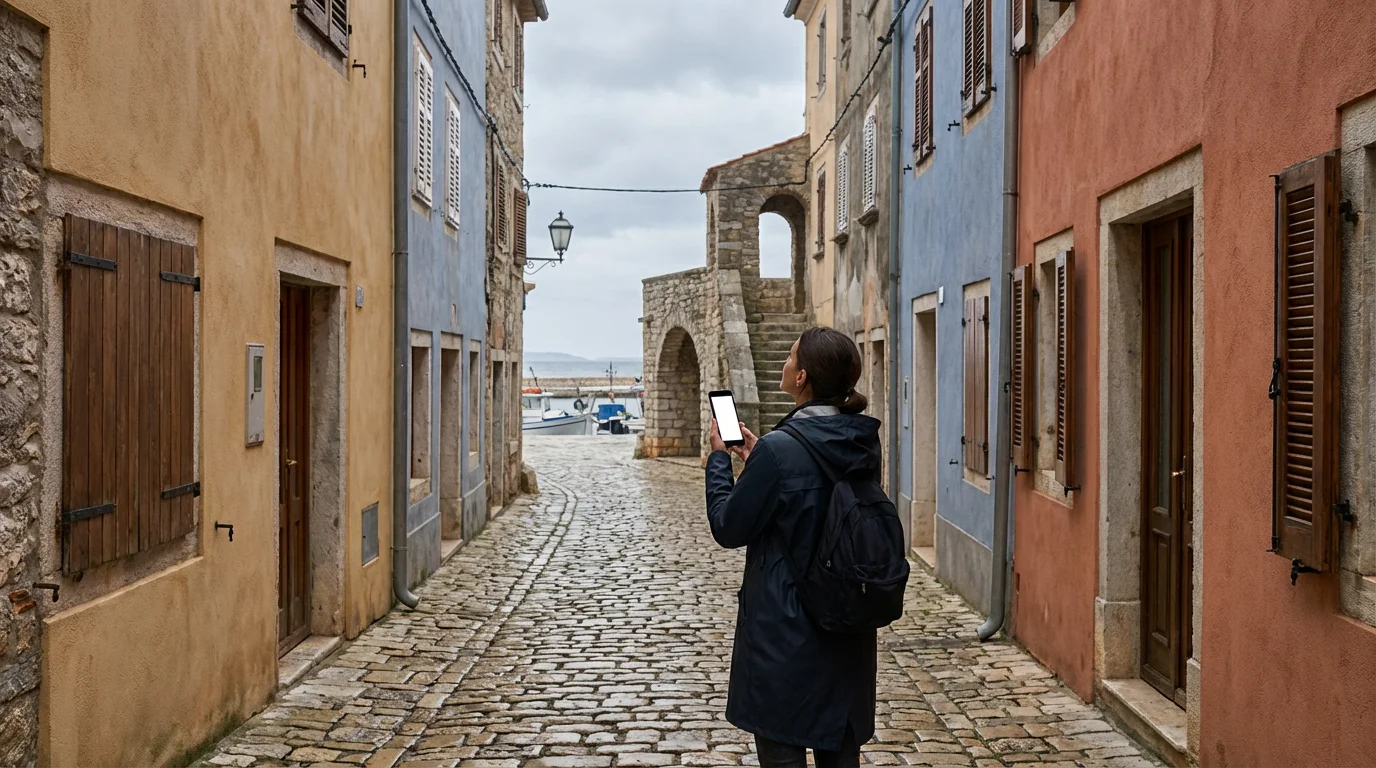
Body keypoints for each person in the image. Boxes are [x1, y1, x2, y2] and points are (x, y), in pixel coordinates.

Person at [705, 326, 881, 768]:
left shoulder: (782, 452)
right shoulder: (859, 439)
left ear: (802, 378)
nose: (784, 364)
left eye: (789, 357)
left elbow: (728, 526)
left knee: (782, 753)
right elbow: (818, 496)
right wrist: (760, 455)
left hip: (786, 634)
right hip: (845, 627)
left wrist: (718, 460)